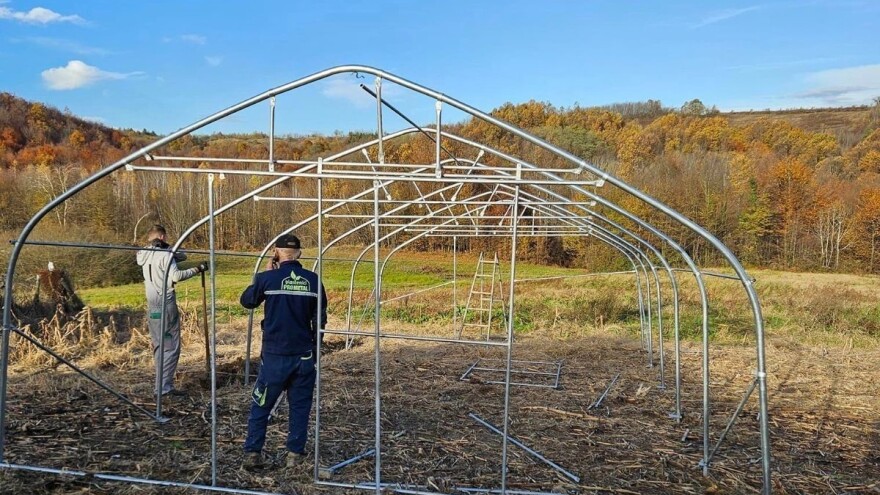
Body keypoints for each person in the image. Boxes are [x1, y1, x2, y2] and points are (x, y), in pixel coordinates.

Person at [240, 233, 327, 469]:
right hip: (304, 356)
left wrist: (265, 275)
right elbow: (320, 321)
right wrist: (315, 351)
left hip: (275, 355)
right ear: (299, 254)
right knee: (300, 406)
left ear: (276, 253)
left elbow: (247, 301)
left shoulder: (267, 279)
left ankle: (253, 453)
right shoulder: (313, 281)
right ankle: (294, 456)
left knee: (261, 405)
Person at [136, 224, 208, 397]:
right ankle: (164, 389)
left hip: (152, 306)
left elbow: (182, 256)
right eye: (165, 239)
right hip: (165, 304)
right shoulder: (165, 255)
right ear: (162, 237)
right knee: (170, 346)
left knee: (159, 344)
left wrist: (171, 249)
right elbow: (176, 276)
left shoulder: (144, 254)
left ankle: (160, 385)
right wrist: (197, 269)